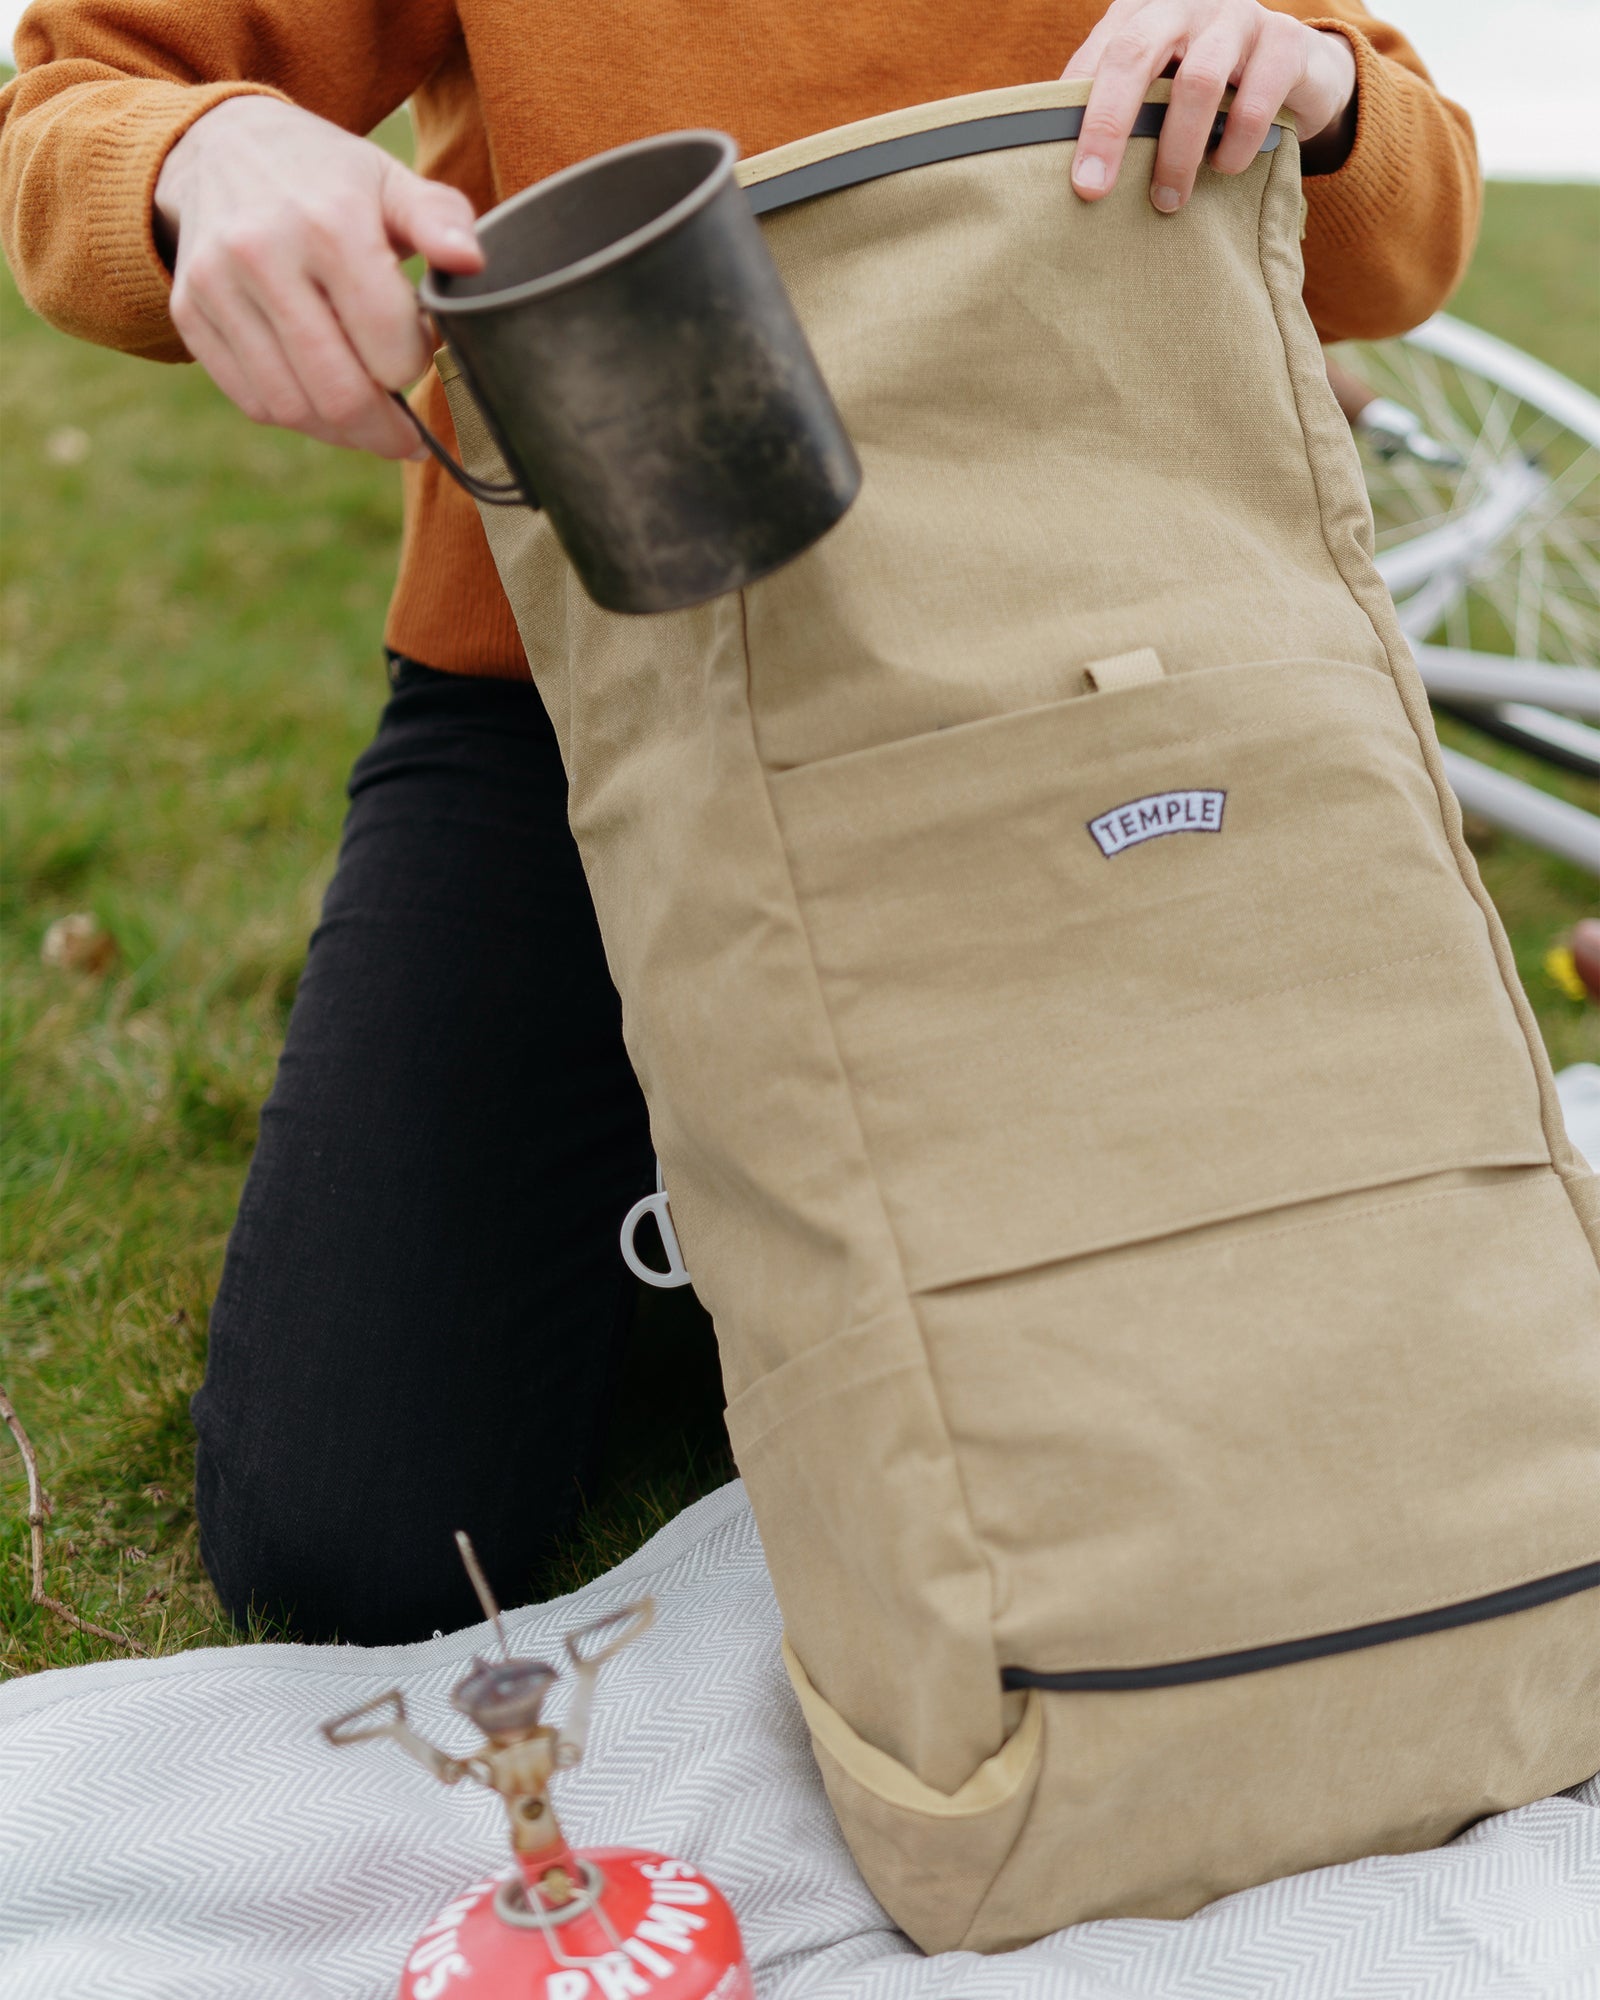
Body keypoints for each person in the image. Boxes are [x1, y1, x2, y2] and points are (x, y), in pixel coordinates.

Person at [0, 0, 1480, 1645]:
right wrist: (199, 153)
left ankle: (782, 1163)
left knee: (1300, 1356)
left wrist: (1320, 92)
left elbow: (1400, 242)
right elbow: (77, 106)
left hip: (1080, 686)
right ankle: (712, 1171)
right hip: (592, 699)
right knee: (354, 1532)